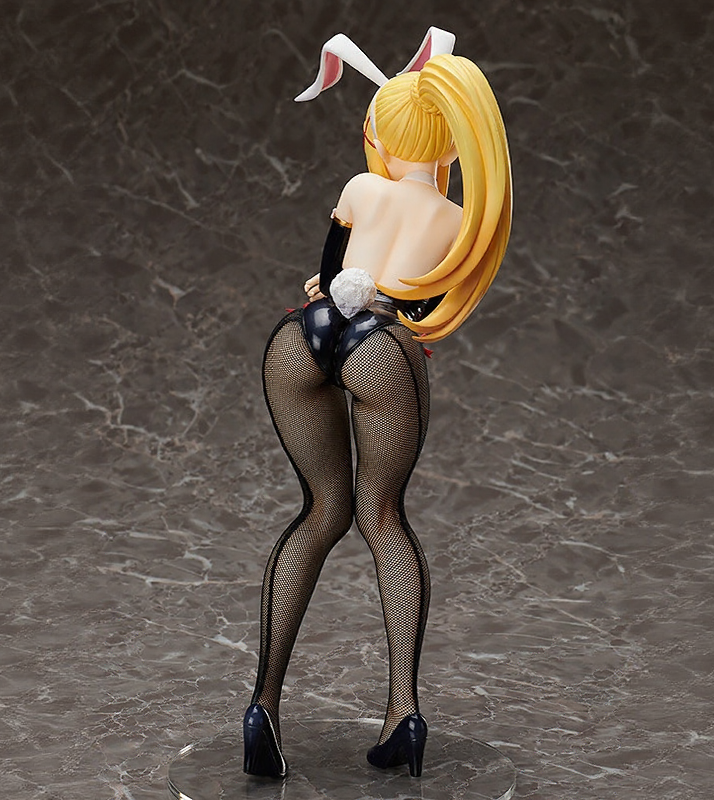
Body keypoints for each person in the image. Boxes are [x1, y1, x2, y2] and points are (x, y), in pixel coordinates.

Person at [242, 27, 512, 779]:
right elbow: (422, 309)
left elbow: (329, 276)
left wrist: (339, 290)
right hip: (382, 348)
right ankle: (404, 714)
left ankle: (262, 706)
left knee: (319, 512)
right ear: (451, 145)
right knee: (382, 518)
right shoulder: (456, 222)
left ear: (380, 136)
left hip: (303, 338)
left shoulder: (361, 189)